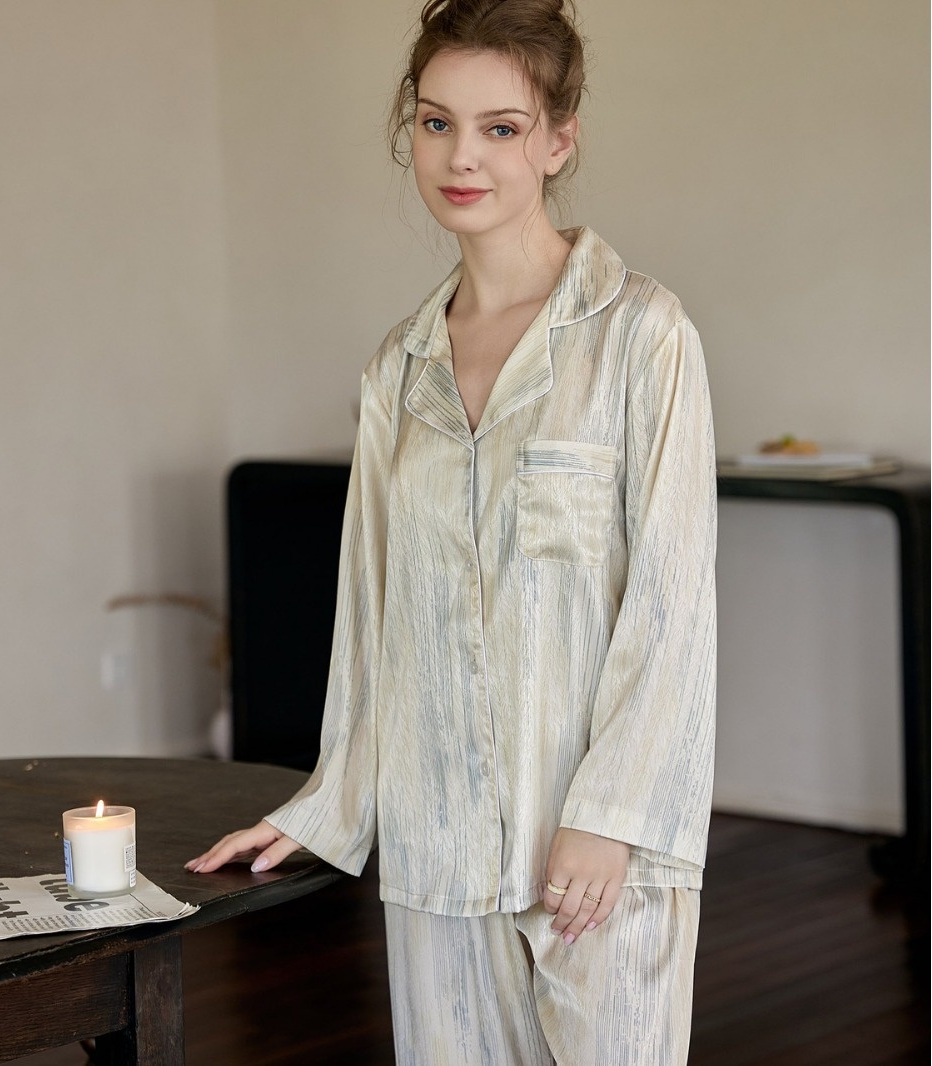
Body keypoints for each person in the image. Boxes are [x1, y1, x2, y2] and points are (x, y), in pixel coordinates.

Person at [186, 1, 717, 1062]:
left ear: (558, 139)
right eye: (436, 123)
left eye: (499, 127)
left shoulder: (641, 336)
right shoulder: (400, 368)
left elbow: (673, 606)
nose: (461, 156)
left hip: (596, 851)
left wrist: (611, 816)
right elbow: (375, 611)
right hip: (438, 842)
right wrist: (325, 807)